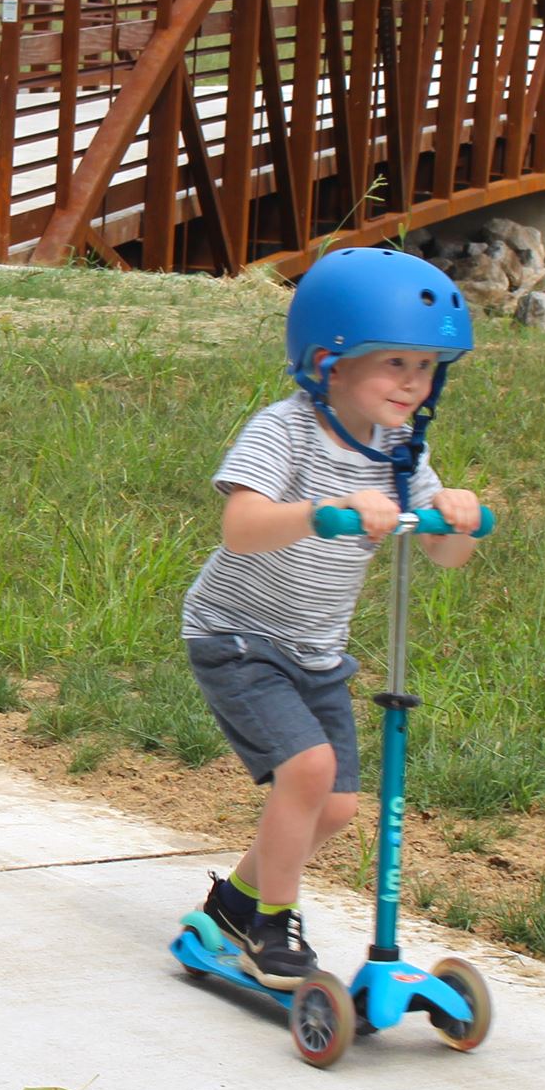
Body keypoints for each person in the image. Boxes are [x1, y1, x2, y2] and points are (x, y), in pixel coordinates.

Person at [179, 247, 486, 988]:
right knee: (309, 770)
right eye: (395, 362)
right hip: (237, 637)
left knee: (339, 806)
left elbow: (445, 555)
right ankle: (274, 925)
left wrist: (458, 518)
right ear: (329, 363)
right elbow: (240, 527)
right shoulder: (284, 431)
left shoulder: (401, 451)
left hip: (317, 649)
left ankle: (233, 906)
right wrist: (323, 512)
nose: (412, 383)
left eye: (426, 366)